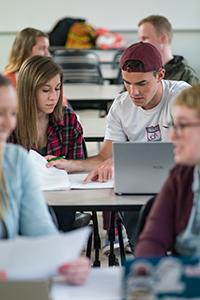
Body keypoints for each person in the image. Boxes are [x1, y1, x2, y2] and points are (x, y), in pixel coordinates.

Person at [46, 41, 190, 250]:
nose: (133, 92)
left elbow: (188, 150)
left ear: (160, 75)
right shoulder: (121, 106)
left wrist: (120, 159)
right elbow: (105, 156)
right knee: (138, 225)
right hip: (139, 191)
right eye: (127, 83)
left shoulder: (181, 96)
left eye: (141, 83)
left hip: (181, 182)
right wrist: (70, 165)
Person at [0, 74, 90, 285]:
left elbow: (40, 229)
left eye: (12, 113)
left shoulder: (15, 160)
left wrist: (65, 261)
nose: (7, 123)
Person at [8, 55, 86, 232]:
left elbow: (79, 167)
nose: (54, 97)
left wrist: (69, 165)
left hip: (62, 200)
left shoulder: (68, 119)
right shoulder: (9, 121)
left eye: (57, 89)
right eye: (45, 90)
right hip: (21, 200)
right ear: (29, 90)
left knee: (59, 217)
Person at [134, 84, 200, 257]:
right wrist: (147, 271)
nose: (172, 136)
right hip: (186, 280)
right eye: (173, 125)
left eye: (183, 126)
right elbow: (152, 239)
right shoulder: (181, 174)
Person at [137, 15, 199, 85]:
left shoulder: (187, 76)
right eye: (139, 39)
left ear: (163, 38)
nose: (140, 43)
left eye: (144, 38)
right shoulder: (139, 70)